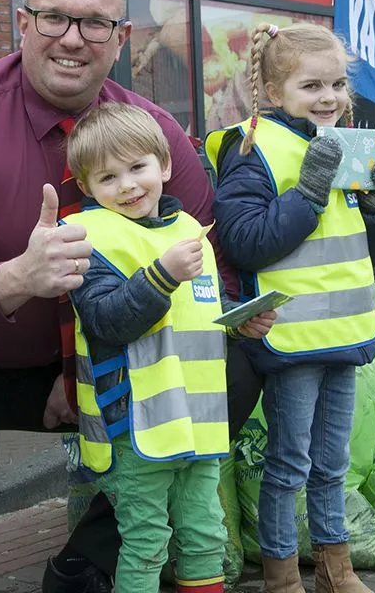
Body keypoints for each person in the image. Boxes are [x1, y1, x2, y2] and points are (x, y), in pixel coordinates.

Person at [0, 0, 264, 593]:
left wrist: (242, 308)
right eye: (55, 18)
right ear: (23, 23)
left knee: (235, 369)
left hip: (119, 366)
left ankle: (92, 557)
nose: (73, 40)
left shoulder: (154, 134)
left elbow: (211, 260)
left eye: (94, 24)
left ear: (122, 38)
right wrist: (16, 278)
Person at [204, 22, 375, 593]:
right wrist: (308, 193)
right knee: (289, 465)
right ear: (271, 91)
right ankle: (282, 576)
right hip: (289, 337)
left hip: (346, 331)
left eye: (338, 84)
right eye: (311, 85)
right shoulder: (250, 148)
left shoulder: (353, 146)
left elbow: (372, 249)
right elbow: (244, 241)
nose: (329, 98)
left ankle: (337, 572)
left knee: (332, 465)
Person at [62, 101, 278, 593]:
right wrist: (161, 275)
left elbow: (203, 311)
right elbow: (107, 320)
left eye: (137, 168)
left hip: (199, 424)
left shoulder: (189, 233)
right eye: (108, 178)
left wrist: (240, 323)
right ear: (87, 187)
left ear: (164, 165)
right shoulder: (87, 238)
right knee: (145, 543)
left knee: (206, 537)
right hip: (136, 428)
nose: (128, 186)